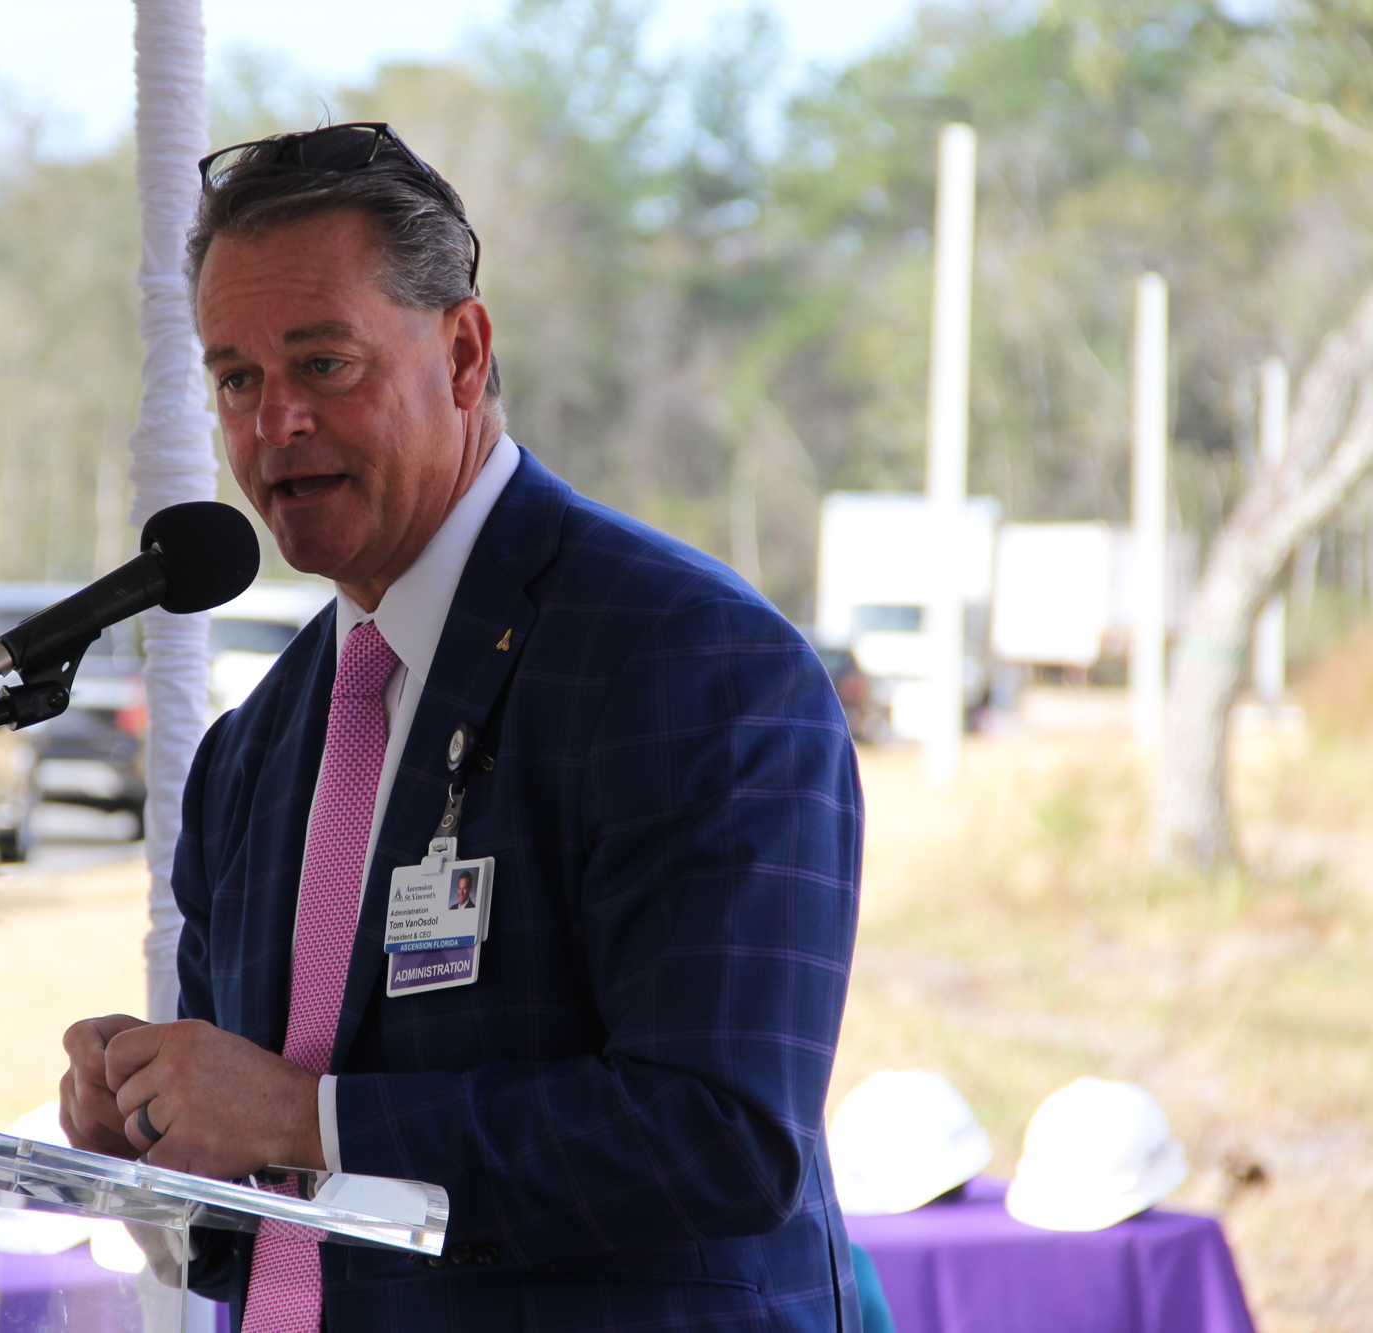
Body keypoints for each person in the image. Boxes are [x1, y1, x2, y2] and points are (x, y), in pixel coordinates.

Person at [59, 122, 863, 1332]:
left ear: (465, 352)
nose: (273, 423)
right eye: (235, 378)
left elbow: (722, 1137)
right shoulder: (253, 751)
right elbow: (259, 1228)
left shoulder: (684, 660)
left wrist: (302, 1115)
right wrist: (157, 1136)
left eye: (322, 363)